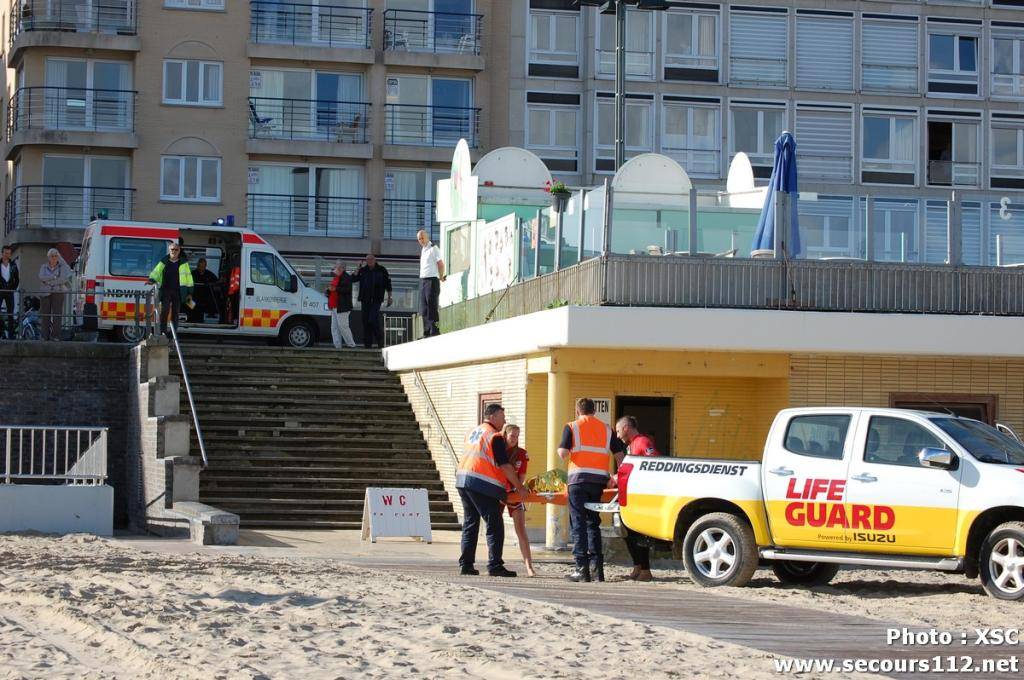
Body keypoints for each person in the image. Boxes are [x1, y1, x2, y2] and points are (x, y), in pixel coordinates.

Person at [456, 403, 530, 578]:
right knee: (495, 523)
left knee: (471, 523)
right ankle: (495, 565)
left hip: (462, 480)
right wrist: (519, 487)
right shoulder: (494, 436)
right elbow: (504, 465)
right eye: (502, 417)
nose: (504, 421)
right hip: (480, 483)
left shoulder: (474, 432)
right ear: (494, 416)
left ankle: (466, 565)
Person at [558, 397, 625, 583]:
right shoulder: (607, 429)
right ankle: (597, 570)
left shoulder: (571, 426)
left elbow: (563, 453)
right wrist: (615, 478)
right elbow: (620, 456)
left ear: (578, 411)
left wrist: (566, 450)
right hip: (598, 482)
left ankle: (581, 569)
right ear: (594, 411)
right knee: (593, 523)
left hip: (578, 480)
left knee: (578, 523)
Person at [612, 415, 661, 582]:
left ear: (626, 428)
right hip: (632, 495)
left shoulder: (642, 442)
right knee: (627, 533)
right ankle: (638, 566)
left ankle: (645, 570)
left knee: (639, 533)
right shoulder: (631, 445)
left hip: (642, 496)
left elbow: (655, 463)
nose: (617, 435)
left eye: (618, 431)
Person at [502, 423, 536, 577]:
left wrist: (517, 489)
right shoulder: (499, 451)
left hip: (515, 492)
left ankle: (529, 566)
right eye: (512, 436)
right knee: (495, 528)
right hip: (498, 491)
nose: (515, 439)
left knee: (521, 529)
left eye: (517, 436)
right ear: (505, 435)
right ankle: (495, 561)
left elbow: (521, 476)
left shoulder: (522, 454)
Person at [147, 242, 193, 336]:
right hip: (166, 290)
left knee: (175, 314)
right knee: (165, 311)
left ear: (179, 251)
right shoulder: (164, 261)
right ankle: (163, 332)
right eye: (172, 249)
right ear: (169, 250)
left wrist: (190, 291)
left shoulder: (184, 263)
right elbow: (156, 271)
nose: (174, 251)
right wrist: (151, 279)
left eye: (176, 250)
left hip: (178, 291)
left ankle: (173, 334)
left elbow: (189, 278)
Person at [354, 254, 391, 349]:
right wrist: (358, 267)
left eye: (371, 259)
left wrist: (390, 297)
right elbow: (353, 278)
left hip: (376, 300)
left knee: (372, 320)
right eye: (367, 259)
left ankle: (380, 340)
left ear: (375, 260)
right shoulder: (363, 270)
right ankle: (367, 345)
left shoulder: (382, 270)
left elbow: (388, 284)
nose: (369, 261)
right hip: (365, 300)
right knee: (366, 321)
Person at [37, 248, 72, 341]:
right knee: (45, 315)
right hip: (45, 293)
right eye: (52, 256)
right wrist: (53, 277)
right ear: (48, 257)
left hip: (58, 292)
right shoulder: (43, 267)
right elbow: (41, 277)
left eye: (56, 256)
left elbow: (63, 279)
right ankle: (44, 336)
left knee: (57, 315)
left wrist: (50, 282)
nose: (54, 258)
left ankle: (55, 336)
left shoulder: (62, 267)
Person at [416, 229, 445, 338]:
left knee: (432, 307)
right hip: (423, 280)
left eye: (422, 238)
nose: (421, 240)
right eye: (419, 239)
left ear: (427, 237)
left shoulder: (433, 248)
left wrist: (441, 276)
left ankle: (434, 332)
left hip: (432, 280)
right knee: (424, 309)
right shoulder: (423, 250)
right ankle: (426, 332)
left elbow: (441, 264)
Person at [327, 261, 356, 349]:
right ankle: (337, 346)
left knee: (343, 326)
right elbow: (333, 289)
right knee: (334, 327)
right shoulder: (337, 277)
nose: (336, 269)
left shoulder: (346, 277)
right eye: (336, 267)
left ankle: (351, 344)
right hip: (335, 306)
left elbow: (346, 290)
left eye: (338, 267)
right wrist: (328, 291)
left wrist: (335, 289)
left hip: (342, 306)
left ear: (342, 268)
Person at [187, 258, 220, 324]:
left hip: (206, 296)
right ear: (197, 266)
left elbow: (217, 282)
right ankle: (190, 317)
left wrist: (212, 284)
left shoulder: (209, 274)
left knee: (213, 300)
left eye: (203, 266)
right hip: (194, 295)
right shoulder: (192, 274)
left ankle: (210, 316)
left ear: (205, 266)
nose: (201, 268)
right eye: (200, 266)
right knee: (188, 301)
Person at [0, 245, 18, 340]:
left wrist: (13, 288)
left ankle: (11, 335)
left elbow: (17, 279)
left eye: (9, 253)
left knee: (10, 313)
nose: (8, 255)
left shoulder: (13, 265)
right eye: (6, 253)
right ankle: (1, 332)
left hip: (10, 291)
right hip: (0, 291)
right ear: (2, 253)